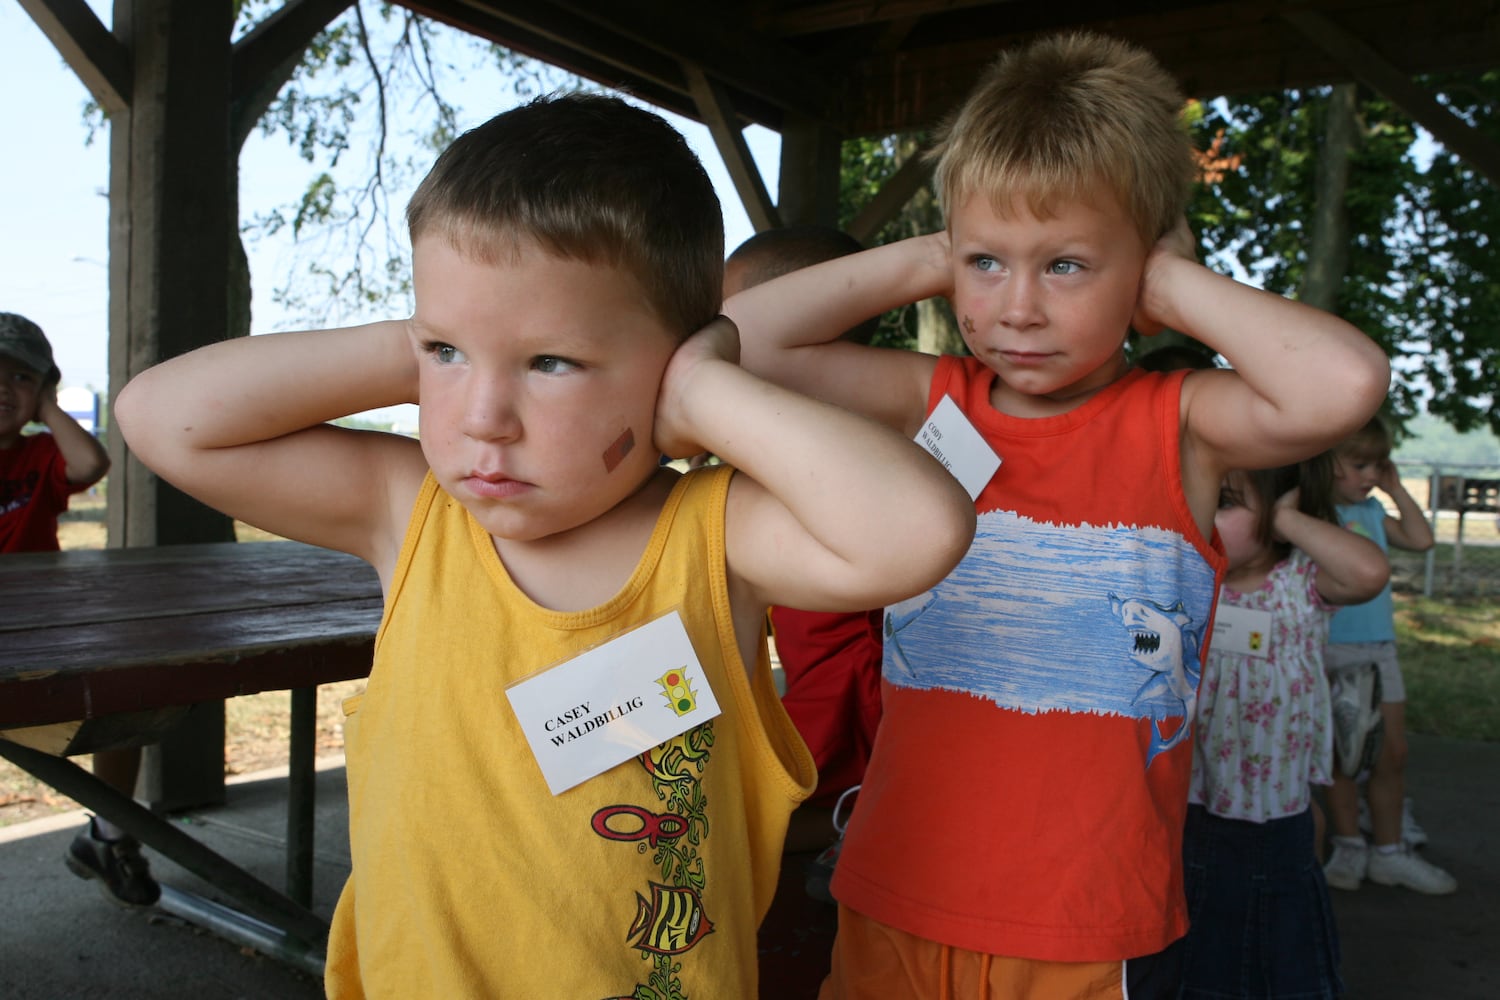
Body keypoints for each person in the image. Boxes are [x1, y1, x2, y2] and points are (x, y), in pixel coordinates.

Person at [113, 93, 975, 998]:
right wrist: (416, 345)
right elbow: (162, 419)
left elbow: (921, 531)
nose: (483, 419)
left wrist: (707, 392)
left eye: (550, 362)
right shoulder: (409, 509)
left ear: (671, 367)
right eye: (446, 353)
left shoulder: (715, 538)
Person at [725, 31, 1390, 997]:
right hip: (895, 884)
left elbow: (1344, 382)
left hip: (1081, 917)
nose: (1020, 309)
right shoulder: (931, 398)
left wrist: (1163, 283)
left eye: (1068, 267)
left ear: (1145, 266)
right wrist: (934, 252)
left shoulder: (1183, 424)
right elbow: (738, 344)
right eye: (989, 264)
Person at [1182, 455, 1389, 999]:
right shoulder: (1191, 579)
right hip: (1189, 807)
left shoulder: (1301, 581)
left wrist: (1288, 521)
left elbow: (1369, 573)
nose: (1200, 510)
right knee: (1199, 958)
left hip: (1274, 817)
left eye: (1225, 502)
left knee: (1283, 959)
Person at [723, 227, 884, 862]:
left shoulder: (870, 443)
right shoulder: (764, 446)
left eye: (722, 315)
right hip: (821, 716)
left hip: (853, 734)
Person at [0, 313, 154, 909]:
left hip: (42, 621)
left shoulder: (42, 453)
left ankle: (110, 836)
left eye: (20, 377)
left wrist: (48, 408)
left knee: (130, 690)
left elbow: (90, 466)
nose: (3, 389)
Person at [1322, 416, 1456, 894]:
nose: (1372, 476)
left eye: (1379, 466)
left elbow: (1421, 540)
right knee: (1341, 753)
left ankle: (1389, 851)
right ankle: (1348, 845)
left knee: (1390, 753)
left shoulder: (1375, 513)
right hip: (1325, 648)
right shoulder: (1313, 516)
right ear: (1326, 463)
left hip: (1377, 649)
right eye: (1360, 465)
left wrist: (1396, 492)